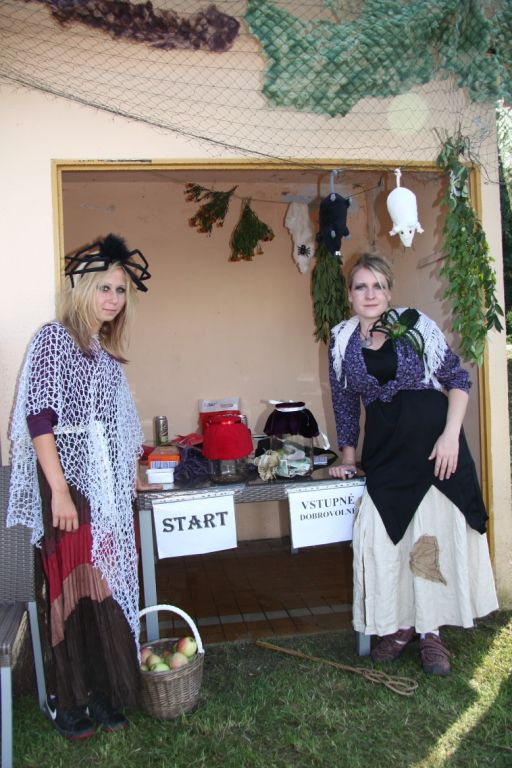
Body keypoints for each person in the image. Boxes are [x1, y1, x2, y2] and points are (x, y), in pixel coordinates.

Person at [7, 234, 158, 738]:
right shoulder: (55, 340)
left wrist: (130, 473)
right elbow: (39, 419)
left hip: (102, 488)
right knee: (67, 587)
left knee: (100, 585)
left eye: (120, 290)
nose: (112, 299)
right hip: (67, 484)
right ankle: (66, 695)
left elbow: (117, 427)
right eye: (104, 288)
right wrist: (59, 491)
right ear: (83, 289)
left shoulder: (101, 352)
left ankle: (99, 689)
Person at [328, 252, 498, 676]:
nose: (371, 294)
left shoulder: (415, 324)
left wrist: (450, 437)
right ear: (350, 295)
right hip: (385, 451)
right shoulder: (341, 340)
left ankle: (431, 632)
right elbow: (345, 402)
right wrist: (348, 457)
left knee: (429, 538)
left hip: (433, 448)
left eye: (379, 286)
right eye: (362, 286)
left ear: (390, 292)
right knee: (388, 539)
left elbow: (457, 380)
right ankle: (401, 625)